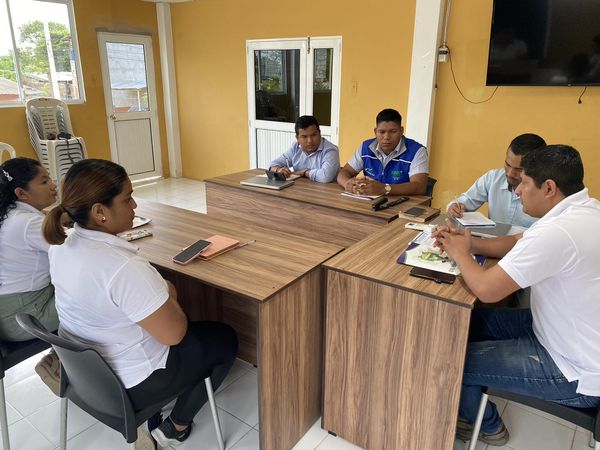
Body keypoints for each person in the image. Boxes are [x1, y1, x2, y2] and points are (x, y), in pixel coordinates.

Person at [43, 159, 238, 449]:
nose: (135, 206)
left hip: (86, 375)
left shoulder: (61, 245)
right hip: (132, 382)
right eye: (127, 199)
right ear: (100, 212)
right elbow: (175, 334)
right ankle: (176, 426)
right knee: (224, 338)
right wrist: (168, 291)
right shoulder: (123, 268)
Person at [434, 145, 600, 446]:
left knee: (451, 359)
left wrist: (460, 255)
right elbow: (516, 241)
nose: (517, 191)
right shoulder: (583, 210)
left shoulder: (559, 232)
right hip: (555, 331)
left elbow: (486, 289)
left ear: (548, 188)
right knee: (468, 322)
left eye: (523, 183)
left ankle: (489, 426)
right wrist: (470, 245)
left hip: (574, 369)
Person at [0, 157, 60, 393]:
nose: (53, 184)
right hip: (26, 315)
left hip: (7, 312)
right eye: (44, 181)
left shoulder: (9, 214)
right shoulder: (28, 223)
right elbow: (74, 253)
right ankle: (63, 365)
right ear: (21, 193)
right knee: (97, 296)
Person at [447, 133, 546, 229]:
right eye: (507, 165)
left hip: (526, 240)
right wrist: (455, 207)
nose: (510, 173)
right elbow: (465, 201)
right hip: (489, 239)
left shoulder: (546, 194)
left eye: (519, 169)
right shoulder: (493, 178)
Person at [337, 108, 429, 196]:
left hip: (402, 203)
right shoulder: (366, 147)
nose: (386, 137)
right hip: (368, 201)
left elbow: (419, 186)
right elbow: (344, 172)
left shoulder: (417, 151)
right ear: (375, 131)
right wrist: (347, 184)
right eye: (382, 132)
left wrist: (385, 188)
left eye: (393, 131)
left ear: (401, 131)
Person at [269, 115, 340, 183]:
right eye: (304, 136)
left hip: (326, 190)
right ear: (297, 138)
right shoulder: (296, 147)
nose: (310, 141)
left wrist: (305, 172)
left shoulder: (330, 150)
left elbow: (326, 176)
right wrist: (278, 170)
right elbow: (273, 164)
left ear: (319, 133)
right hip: (301, 188)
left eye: (313, 135)